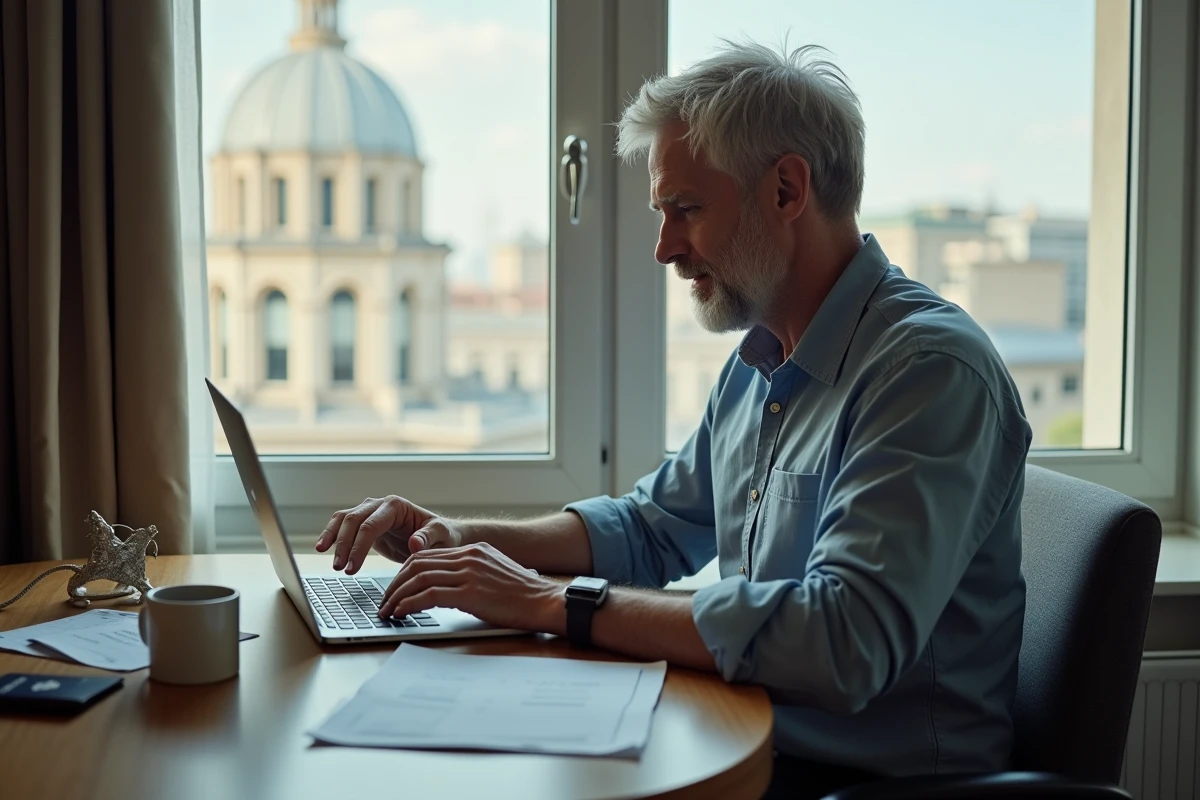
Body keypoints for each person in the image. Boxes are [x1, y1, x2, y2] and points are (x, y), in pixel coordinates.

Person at [316, 41, 1030, 799]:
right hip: (752, 741)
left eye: (685, 210)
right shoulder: (758, 365)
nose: (664, 249)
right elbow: (652, 529)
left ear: (787, 190)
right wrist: (462, 541)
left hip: (863, 783)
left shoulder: (926, 372)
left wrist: (546, 602)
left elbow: (840, 643)